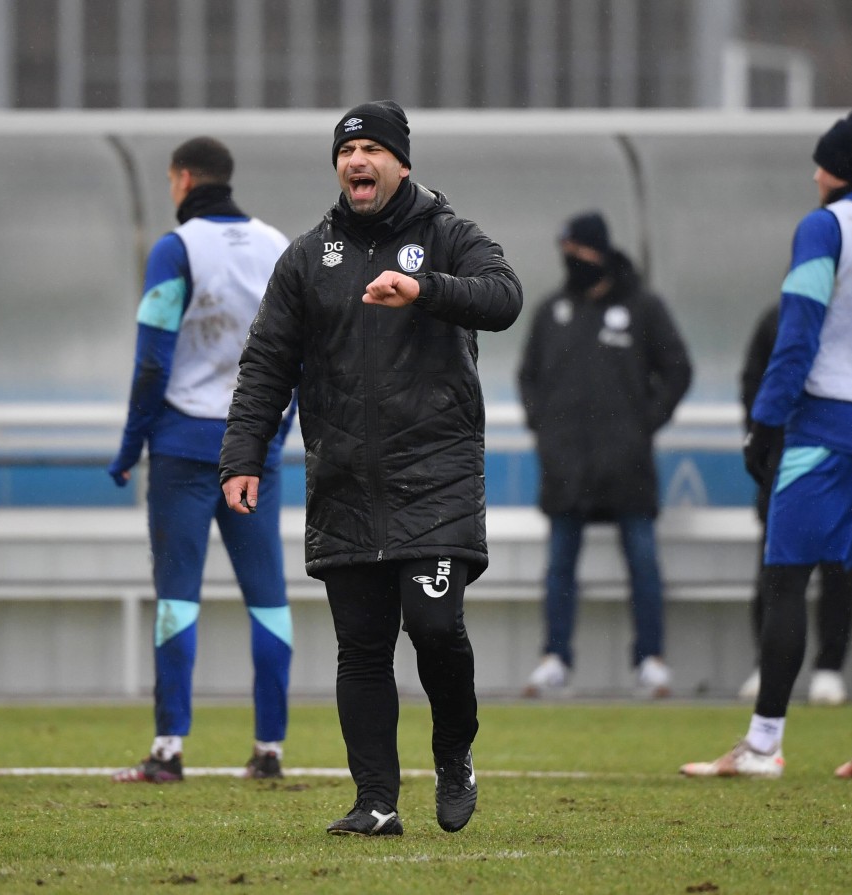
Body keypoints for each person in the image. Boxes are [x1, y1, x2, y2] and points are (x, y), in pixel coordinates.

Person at [220, 101, 523, 836]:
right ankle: (376, 800)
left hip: (436, 475)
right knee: (360, 646)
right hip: (345, 481)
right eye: (346, 150)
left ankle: (454, 754)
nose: (357, 160)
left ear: (401, 162)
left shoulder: (449, 234)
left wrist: (423, 290)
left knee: (433, 625)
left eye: (371, 149)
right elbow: (267, 363)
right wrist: (243, 455)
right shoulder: (306, 258)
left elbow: (505, 298)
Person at [681, 111, 852, 781]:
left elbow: (797, 333)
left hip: (825, 428)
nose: (814, 174)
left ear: (838, 169)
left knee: (786, 579)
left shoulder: (823, 227)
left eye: (820, 163)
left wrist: (766, 423)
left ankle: (764, 745)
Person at [108, 136, 294, 784]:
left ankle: (168, 748)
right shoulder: (278, 247)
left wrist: (132, 444)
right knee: (268, 599)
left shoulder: (175, 248)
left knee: (177, 599)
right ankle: (269, 747)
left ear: (183, 179)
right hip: (256, 453)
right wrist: (275, 433)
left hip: (186, 447)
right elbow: (301, 354)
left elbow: (153, 356)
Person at [518, 211, 692, 699]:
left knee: (642, 561)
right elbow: (528, 376)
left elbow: (678, 370)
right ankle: (554, 658)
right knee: (559, 566)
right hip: (566, 465)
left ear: (599, 253)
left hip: (627, 466)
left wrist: (643, 426)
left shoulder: (643, 308)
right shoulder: (553, 311)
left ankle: (650, 661)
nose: (570, 262)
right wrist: (544, 427)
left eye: (577, 252)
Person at [736, 303, 852, 707]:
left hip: (836, 460)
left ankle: (828, 668)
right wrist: (763, 438)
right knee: (774, 573)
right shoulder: (774, 320)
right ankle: (765, 664)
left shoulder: (848, 320)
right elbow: (753, 384)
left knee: (838, 571)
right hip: (784, 464)